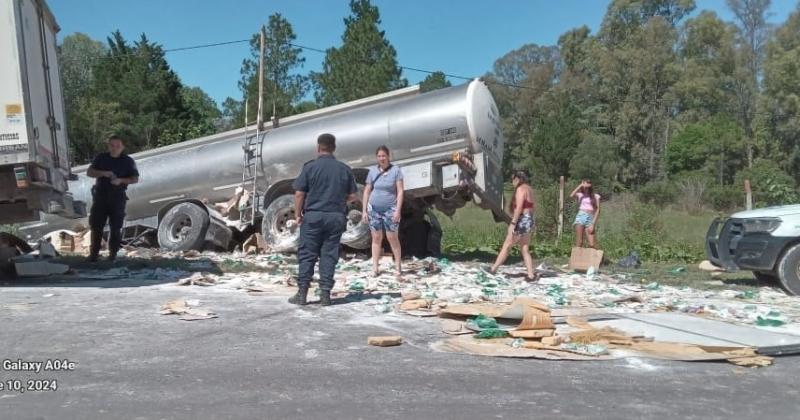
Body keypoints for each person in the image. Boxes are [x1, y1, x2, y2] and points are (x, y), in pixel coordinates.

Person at [289, 133, 359, 306]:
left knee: (307, 254)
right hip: (335, 217)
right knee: (329, 255)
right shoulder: (344, 169)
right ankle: (325, 295)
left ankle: (302, 294)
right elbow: (352, 196)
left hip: (313, 216)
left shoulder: (310, 167)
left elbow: (299, 194)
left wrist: (298, 214)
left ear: (318, 148)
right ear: (334, 148)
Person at [86, 135, 139, 262]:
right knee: (96, 225)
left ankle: (112, 254)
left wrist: (120, 180)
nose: (115, 148)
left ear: (122, 147)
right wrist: (104, 173)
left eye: (117, 146)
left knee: (115, 226)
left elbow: (135, 179)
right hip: (101, 195)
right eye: (112, 145)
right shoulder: (101, 158)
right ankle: (94, 254)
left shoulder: (128, 161)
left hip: (117, 196)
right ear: (108, 146)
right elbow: (90, 172)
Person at [362, 145, 404, 278]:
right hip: (374, 209)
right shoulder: (373, 171)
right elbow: (367, 190)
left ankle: (397, 266)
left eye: (384, 156)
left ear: (388, 156)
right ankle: (375, 267)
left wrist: (398, 210)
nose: (382, 158)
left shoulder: (396, 170)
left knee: (392, 237)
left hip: (390, 208)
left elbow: (400, 191)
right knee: (376, 237)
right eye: (379, 156)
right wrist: (364, 210)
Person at [488, 170, 536, 281]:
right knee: (524, 248)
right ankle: (530, 274)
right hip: (529, 219)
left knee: (507, 245)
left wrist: (513, 223)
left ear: (517, 179)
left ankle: (493, 269)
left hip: (522, 220)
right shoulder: (529, 189)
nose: (512, 182)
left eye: (513, 179)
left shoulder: (520, 189)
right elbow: (532, 206)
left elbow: (519, 208)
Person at [571, 179, 601, 248]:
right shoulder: (580, 195)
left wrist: (593, 224)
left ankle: (601, 257)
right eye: (584, 184)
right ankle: (577, 258)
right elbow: (571, 195)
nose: (585, 186)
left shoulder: (596, 196)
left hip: (590, 218)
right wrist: (580, 185)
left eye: (587, 183)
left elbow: (598, 210)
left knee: (592, 244)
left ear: (590, 185)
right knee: (579, 242)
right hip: (580, 216)